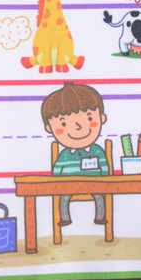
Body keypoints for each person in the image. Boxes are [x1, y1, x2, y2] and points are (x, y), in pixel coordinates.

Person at [42, 82, 109, 227]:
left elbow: (104, 167)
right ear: (49, 128)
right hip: (68, 185)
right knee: (64, 198)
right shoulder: (64, 155)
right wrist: (57, 183)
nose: (78, 127)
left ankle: (100, 217)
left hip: (95, 184)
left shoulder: (97, 151)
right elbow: (57, 171)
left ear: (102, 118)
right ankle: (65, 218)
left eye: (89, 118)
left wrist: (105, 180)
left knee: (99, 197)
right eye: (64, 124)